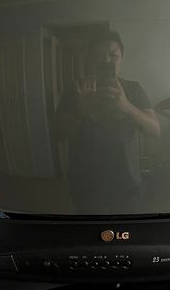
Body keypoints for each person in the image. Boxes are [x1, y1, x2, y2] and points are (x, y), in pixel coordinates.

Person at [54, 31, 160, 214]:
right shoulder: (76, 89)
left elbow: (155, 131)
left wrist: (126, 106)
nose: (106, 61)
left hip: (127, 185)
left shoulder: (133, 89)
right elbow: (57, 134)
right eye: (98, 56)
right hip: (85, 186)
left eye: (113, 55)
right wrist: (80, 111)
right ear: (90, 60)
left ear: (121, 58)